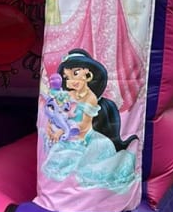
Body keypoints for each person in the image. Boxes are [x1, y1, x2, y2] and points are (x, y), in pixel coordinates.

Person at [43, 49, 138, 193]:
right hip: (68, 136)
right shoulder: (68, 95)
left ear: (88, 74)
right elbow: (57, 113)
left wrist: (62, 131)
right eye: (67, 77)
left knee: (81, 168)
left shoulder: (90, 98)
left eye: (75, 73)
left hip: (83, 138)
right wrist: (51, 125)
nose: (71, 80)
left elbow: (83, 126)